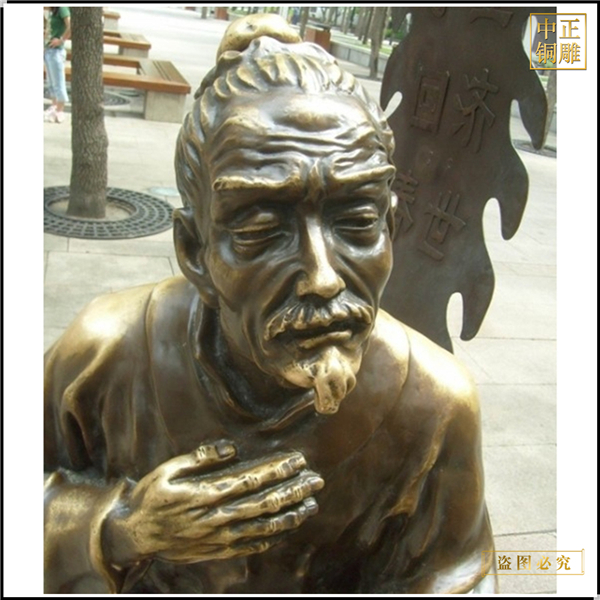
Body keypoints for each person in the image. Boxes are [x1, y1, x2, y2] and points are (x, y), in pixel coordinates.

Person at [44, 14, 498, 594]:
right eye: (262, 230)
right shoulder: (103, 355)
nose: (323, 278)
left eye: (356, 223)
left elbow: (458, 575)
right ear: (194, 251)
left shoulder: (434, 407)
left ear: (390, 229)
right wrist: (118, 530)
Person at [44, 6, 70, 123]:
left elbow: (71, 25)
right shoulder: (52, 10)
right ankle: (54, 106)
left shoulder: (62, 8)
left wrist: (61, 40)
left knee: (58, 82)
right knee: (51, 82)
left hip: (56, 51)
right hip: (49, 50)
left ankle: (60, 110)